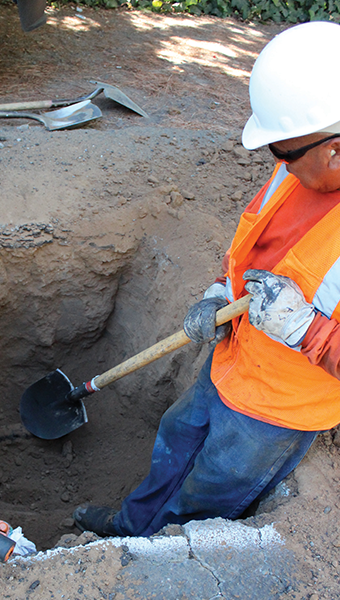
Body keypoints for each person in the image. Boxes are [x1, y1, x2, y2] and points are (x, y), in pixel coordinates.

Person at [73, 21, 340, 538]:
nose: (277, 164)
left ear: (333, 148)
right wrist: (222, 291)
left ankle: (149, 562)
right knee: (174, 442)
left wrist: (304, 329)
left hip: (273, 413)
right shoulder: (298, 172)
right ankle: (128, 527)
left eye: (283, 153)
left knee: (205, 497)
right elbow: (253, 249)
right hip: (231, 362)